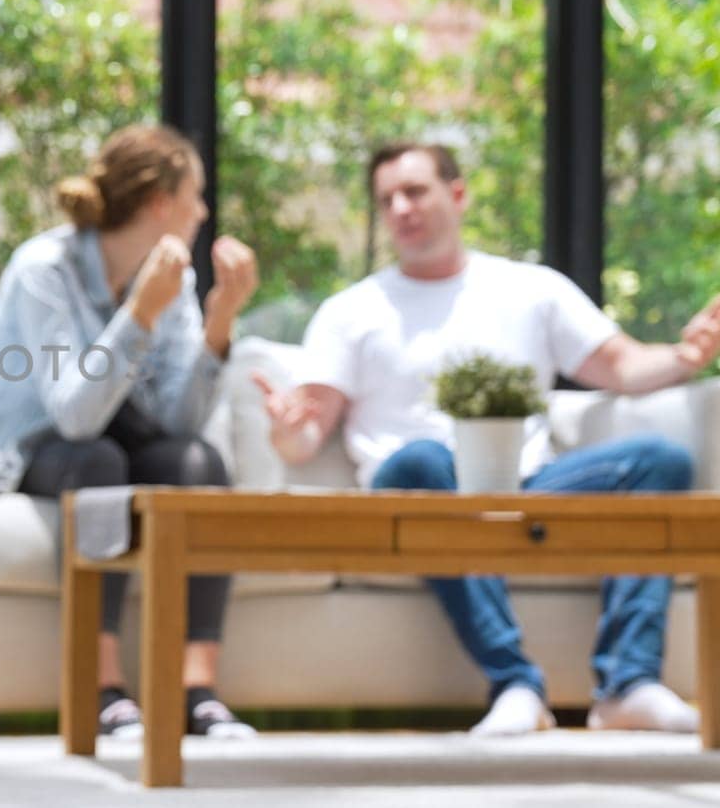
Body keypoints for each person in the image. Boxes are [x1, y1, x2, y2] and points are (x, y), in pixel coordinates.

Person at [255, 142, 720, 737]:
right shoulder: (351, 312)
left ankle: (628, 686)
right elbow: (304, 437)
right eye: (386, 199)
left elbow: (623, 367)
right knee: (423, 459)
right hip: (418, 495)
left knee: (660, 461)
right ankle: (517, 684)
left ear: (457, 193)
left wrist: (683, 358)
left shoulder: (532, 289)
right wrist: (289, 430)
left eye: (415, 191)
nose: (400, 208)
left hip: (525, 489)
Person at [0, 123, 261, 739]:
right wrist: (139, 314)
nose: (203, 213)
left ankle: (197, 691)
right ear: (162, 203)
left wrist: (218, 323)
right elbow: (74, 417)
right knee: (98, 460)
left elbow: (178, 425)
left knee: (197, 462)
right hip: (41, 450)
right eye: (196, 197)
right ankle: (103, 689)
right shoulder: (43, 269)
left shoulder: (174, 282)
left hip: (124, 440)